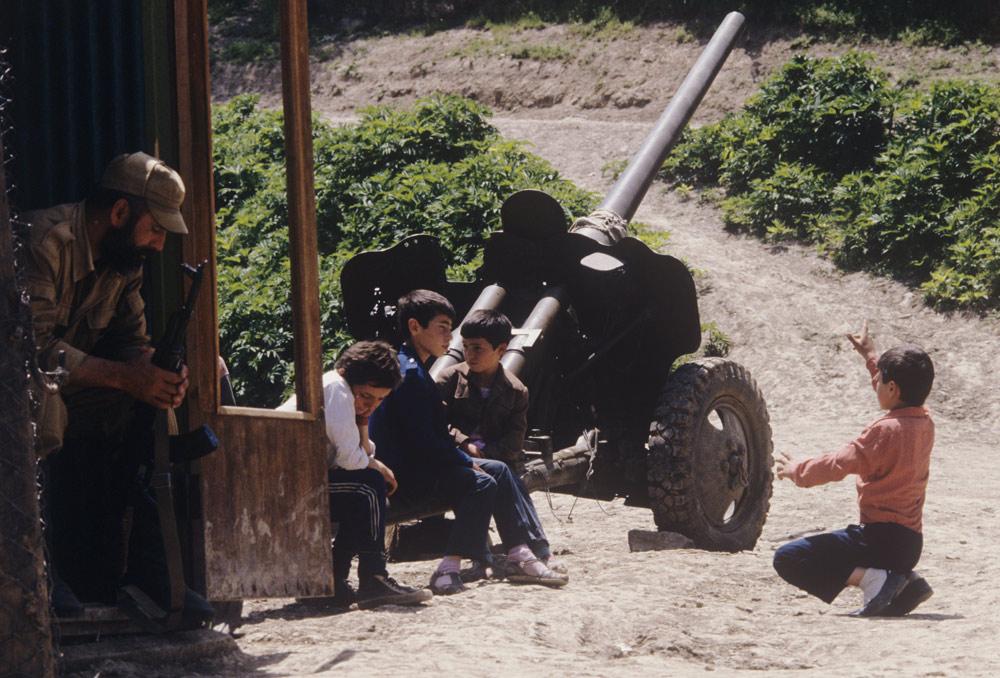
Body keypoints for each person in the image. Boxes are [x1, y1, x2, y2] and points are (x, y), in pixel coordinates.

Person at [22, 152, 209, 622]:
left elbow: (130, 344)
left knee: (152, 407)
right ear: (120, 213)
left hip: (66, 383)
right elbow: (33, 351)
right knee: (45, 396)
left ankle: (152, 570)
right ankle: (36, 569)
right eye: (156, 228)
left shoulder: (125, 264)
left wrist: (158, 373)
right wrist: (130, 376)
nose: (160, 244)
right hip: (21, 385)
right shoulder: (44, 242)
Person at [369, 290, 567, 594]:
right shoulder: (410, 375)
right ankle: (454, 567)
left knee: (497, 470)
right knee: (486, 479)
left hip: (416, 465)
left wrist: (468, 459)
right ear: (414, 327)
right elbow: (425, 442)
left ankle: (519, 553)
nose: (450, 337)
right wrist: (466, 460)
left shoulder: (414, 368)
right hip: (405, 477)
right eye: (443, 328)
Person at [773, 320, 935, 617]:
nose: (877, 385)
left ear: (892, 387)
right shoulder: (925, 422)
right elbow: (894, 387)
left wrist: (797, 470)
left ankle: (875, 578)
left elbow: (837, 464)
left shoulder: (884, 430)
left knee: (788, 557)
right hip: (910, 545)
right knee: (836, 550)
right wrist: (871, 356)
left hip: (878, 541)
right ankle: (904, 581)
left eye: (881, 379)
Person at [278, 341, 430, 609]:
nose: (370, 405)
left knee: (366, 491)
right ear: (348, 375)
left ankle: (333, 578)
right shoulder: (337, 390)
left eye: (379, 400)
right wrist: (378, 467)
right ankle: (374, 577)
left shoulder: (347, 394)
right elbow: (351, 460)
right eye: (366, 397)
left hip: (302, 478)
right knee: (368, 486)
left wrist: (363, 421)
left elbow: (362, 451)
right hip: (282, 485)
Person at [434, 309, 567, 580]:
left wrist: (484, 452)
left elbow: (513, 444)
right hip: (454, 460)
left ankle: (523, 553)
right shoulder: (447, 381)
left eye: (478, 348)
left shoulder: (516, 391)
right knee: (502, 475)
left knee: (506, 473)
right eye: (466, 347)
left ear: (501, 349)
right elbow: (436, 425)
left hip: (495, 461)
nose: (469, 355)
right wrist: (465, 443)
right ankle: (534, 553)